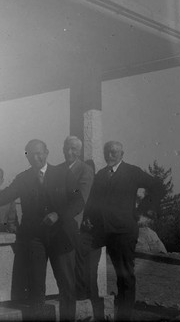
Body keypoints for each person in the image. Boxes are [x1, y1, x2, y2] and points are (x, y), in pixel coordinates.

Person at [0, 139, 84, 321]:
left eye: (40, 153)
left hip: (61, 235)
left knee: (66, 286)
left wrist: (58, 215)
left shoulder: (63, 173)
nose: (36, 157)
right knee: (35, 287)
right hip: (35, 238)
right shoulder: (23, 178)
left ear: (47, 153)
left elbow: (78, 202)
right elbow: (6, 194)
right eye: (32, 154)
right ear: (27, 156)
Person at [81, 141, 160, 321]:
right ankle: (96, 313)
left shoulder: (132, 172)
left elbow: (156, 186)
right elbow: (93, 200)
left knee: (124, 277)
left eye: (114, 152)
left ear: (122, 154)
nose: (110, 155)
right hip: (101, 231)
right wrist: (87, 216)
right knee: (84, 261)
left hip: (123, 232)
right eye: (108, 152)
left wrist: (144, 211)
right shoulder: (100, 175)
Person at [56, 136, 103, 320]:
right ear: (62, 149)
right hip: (61, 230)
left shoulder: (85, 170)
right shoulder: (58, 170)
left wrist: (63, 219)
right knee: (69, 279)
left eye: (74, 149)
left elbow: (80, 201)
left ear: (80, 152)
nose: (70, 152)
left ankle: (97, 316)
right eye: (67, 148)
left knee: (87, 279)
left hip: (79, 231)